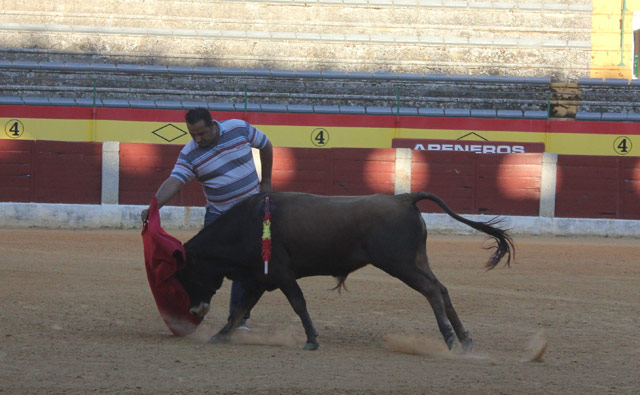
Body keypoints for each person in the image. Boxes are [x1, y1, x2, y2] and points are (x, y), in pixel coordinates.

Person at [141, 107, 273, 330]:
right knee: (207, 266)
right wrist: (154, 205)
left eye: (202, 133)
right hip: (219, 214)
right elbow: (175, 180)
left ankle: (238, 320)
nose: (198, 139)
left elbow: (265, 145)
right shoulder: (190, 153)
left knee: (246, 265)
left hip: (251, 212)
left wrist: (266, 181)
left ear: (213, 125)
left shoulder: (238, 128)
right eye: (193, 134)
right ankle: (195, 315)